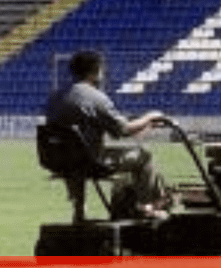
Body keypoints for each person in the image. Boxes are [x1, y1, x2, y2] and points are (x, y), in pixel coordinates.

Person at [44, 50, 172, 220]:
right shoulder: (96, 97)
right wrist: (150, 117)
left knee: (75, 155)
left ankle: (79, 209)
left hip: (59, 159)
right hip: (90, 161)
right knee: (143, 156)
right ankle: (146, 206)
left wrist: (143, 124)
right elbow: (123, 130)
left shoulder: (55, 97)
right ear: (94, 71)